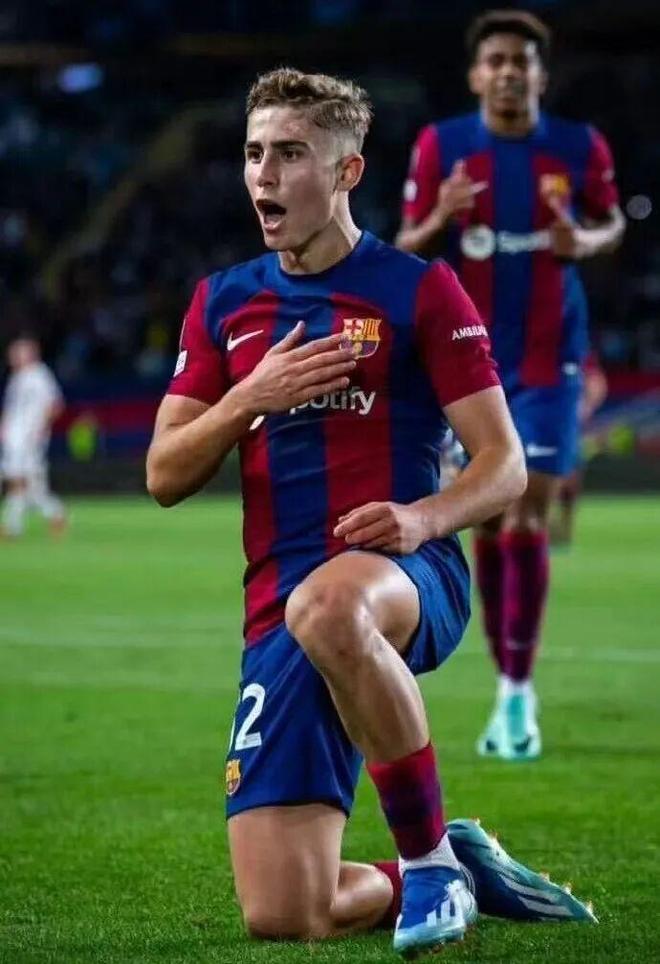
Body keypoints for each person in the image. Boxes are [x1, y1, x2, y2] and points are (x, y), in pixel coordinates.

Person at [147, 68, 593, 955]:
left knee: (331, 603)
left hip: (407, 574)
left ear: (347, 171)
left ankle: (426, 863)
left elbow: (504, 467)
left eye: (290, 153)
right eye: (253, 153)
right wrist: (249, 397)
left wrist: (425, 519)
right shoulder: (224, 300)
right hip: (278, 610)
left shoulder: (417, 289)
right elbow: (164, 472)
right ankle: (449, 863)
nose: (264, 174)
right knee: (285, 914)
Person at [396, 10, 625, 762]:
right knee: (491, 522)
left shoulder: (579, 146)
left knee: (527, 512)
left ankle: (516, 693)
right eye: (494, 60)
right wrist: (441, 214)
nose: (507, 73)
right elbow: (404, 245)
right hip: (469, 366)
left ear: (539, 76)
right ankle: (508, 678)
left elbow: (612, 223)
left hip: (551, 360)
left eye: (520, 62)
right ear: (475, 74)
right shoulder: (442, 147)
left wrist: (582, 239)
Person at [1, 336, 67, 539]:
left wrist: (40, 429)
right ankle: (54, 513)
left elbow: (55, 405)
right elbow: (12, 409)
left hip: (29, 438)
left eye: (17, 352)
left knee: (20, 481)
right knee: (27, 483)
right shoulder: (17, 378)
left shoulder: (40, 375)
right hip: (14, 438)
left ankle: (14, 526)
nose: (13, 357)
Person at [551, 352, 608, 546]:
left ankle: (565, 526)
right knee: (542, 475)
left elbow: (596, 380)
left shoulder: (576, 349)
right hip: (538, 418)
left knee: (570, 480)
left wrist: (586, 406)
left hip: (568, 426)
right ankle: (544, 524)